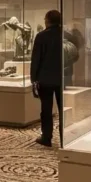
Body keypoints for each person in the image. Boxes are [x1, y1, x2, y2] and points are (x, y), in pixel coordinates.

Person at [31, 9, 65, 147]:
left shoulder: (41, 36)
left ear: (47, 20)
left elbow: (36, 60)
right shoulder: (64, 35)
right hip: (61, 78)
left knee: (46, 109)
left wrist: (33, 79)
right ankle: (65, 137)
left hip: (45, 79)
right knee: (63, 109)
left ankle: (47, 137)